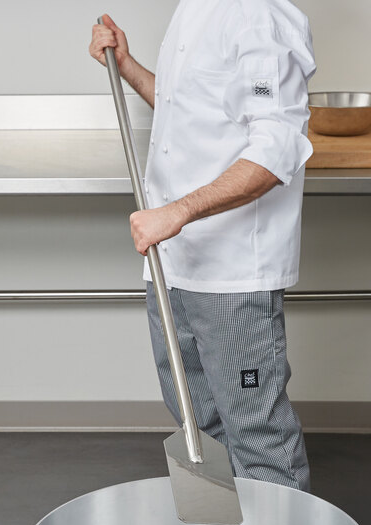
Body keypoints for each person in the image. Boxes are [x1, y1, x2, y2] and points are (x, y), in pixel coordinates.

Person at [90, 0, 316, 492]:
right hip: (171, 260)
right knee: (197, 425)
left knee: (258, 436)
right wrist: (127, 68)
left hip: (231, 272)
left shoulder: (262, 18)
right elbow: (190, 112)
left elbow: (277, 146)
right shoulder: (195, 8)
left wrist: (177, 212)